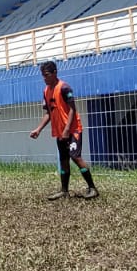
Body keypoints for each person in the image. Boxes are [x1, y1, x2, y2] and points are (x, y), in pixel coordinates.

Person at [28, 61, 99, 200]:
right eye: (43, 76)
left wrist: (67, 130)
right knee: (64, 160)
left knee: (75, 157)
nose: (44, 78)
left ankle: (92, 188)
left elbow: (73, 109)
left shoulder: (64, 88)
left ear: (55, 73)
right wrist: (38, 129)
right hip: (60, 132)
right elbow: (48, 113)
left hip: (73, 130)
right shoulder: (46, 91)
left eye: (47, 75)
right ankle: (64, 191)